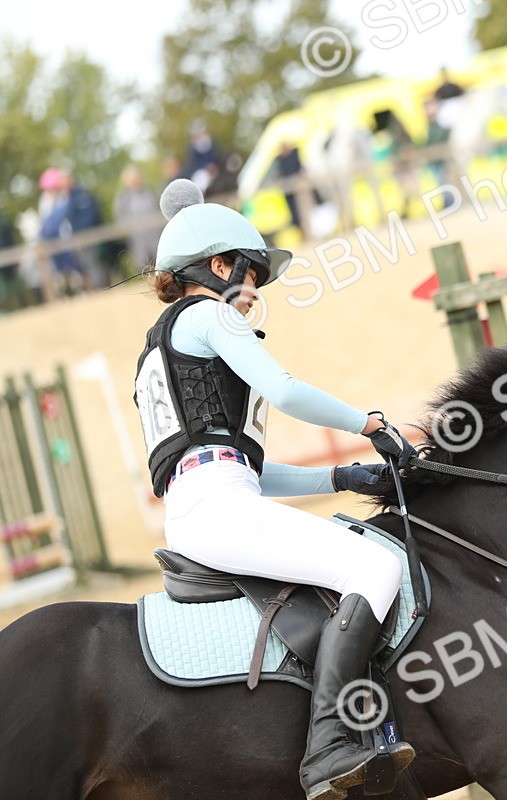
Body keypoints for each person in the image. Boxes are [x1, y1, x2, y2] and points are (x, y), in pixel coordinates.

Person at [135, 179, 421, 800]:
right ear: (217, 266)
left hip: (209, 501)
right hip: (217, 510)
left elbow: (242, 470)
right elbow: (288, 390)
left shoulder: (162, 350)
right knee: (375, 569)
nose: (252, 296)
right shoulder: (209, 314)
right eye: (249, 278)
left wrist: (340, 477)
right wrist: (368, 423)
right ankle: (330, 745)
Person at [114, 165, 161, 271]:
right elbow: (120, 219)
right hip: (136, 239)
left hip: (154, 235)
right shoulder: (123, 198)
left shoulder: (148, 192)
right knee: (142, 266)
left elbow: (157, 210)